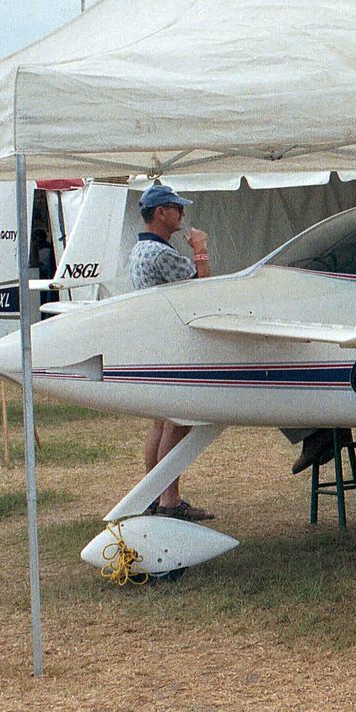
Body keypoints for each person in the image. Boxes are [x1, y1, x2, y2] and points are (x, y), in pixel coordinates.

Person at [130, 184, 215, 521]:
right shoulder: (161, 254)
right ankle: (170, 499)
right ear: (160, 213)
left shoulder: (139, 250)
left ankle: (155, 494)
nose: (181, 214)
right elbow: (201, 287)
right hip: (172, 347)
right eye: (176, 208)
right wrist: (200, 248)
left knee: (161, 423)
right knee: (177, 423)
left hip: (154, 343)